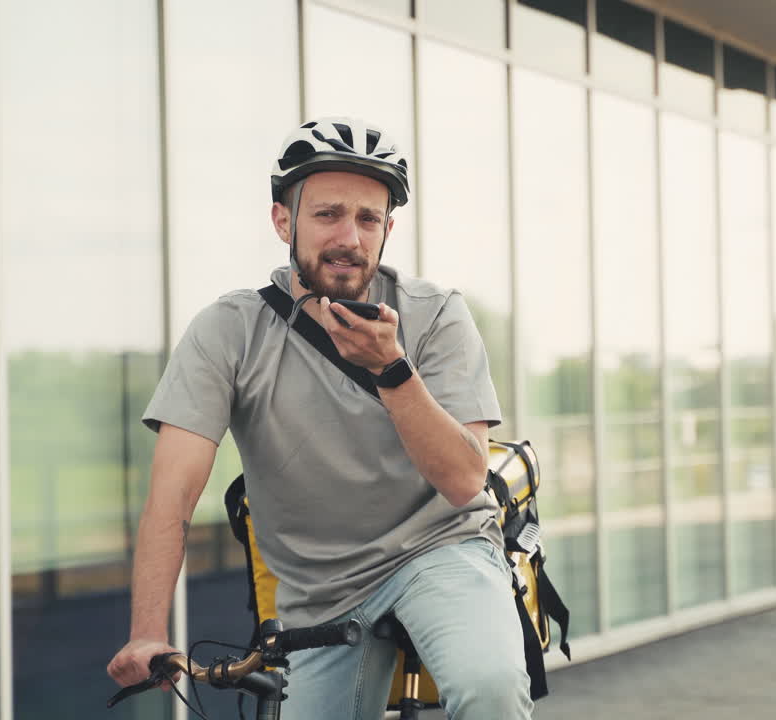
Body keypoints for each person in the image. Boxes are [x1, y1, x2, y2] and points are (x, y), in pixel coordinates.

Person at [106, 117, 532, 719]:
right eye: (328, 214)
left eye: (367, 219)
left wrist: (392, 370)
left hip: (439, 548)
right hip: (320, 588)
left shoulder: (435, 316)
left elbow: (465, 481)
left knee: (489, 687)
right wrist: (147, 630)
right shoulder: (227, 331)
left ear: (387, 228)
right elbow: (170, 499)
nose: (350, 238)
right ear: (284, 221)